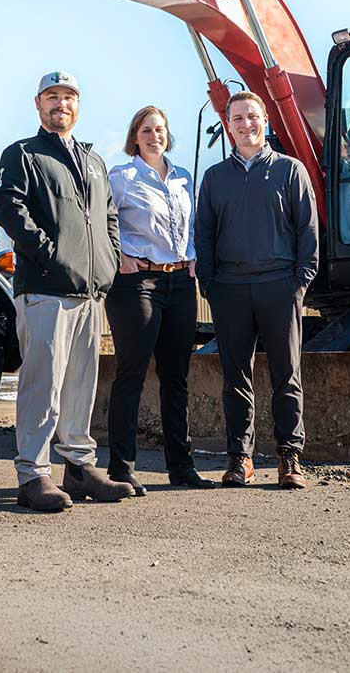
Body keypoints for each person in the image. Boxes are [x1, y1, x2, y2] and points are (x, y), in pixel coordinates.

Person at [0, 70, 134, 512]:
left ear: (79, 105)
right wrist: (52, 256)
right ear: (38, 104)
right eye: (52, 97)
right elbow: (9, 209)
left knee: (79, 384)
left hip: (90, 292)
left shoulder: (93, 162)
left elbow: (108, 215)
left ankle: (78, 466)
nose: (61, 104)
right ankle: (33, 474)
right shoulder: (23, 154)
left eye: (69, 97)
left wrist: (108, 261)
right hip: (45, 290)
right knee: (43, 384)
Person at [194, 91, 319, 490]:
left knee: (287, 374)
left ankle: (289, 458)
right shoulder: (216, 178)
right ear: (227, 126)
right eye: (237, 119)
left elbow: (308, 231)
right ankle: (240, 459)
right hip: (230, 289)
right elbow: (205, 234)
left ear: (265, 121)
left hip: (279, 286)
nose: (245, 124)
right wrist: (211, 285)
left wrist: (299, 282)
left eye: (252, 116)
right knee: (235, 377)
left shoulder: (290, 170)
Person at [105, 106, 216, 494]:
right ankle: (121, 468)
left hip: (180, 284)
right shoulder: (121, 178)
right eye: (147, 130)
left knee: (177, 378)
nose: (155, 136)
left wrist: (193, 256)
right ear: (135, 136)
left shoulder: (184, 177)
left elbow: (192, 226)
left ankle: (181, 468)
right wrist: (120, 256)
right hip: (138, 284)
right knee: (131, 374)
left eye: (161, 129)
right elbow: (101, 221)